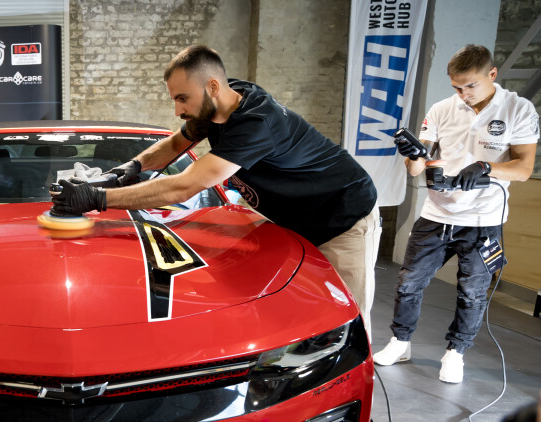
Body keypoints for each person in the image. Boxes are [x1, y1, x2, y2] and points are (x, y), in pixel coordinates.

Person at [51, 44, 380, 333]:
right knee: (293, 315)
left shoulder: (257, 123)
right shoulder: (220, 101)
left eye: (182, 98)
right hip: (293, 220)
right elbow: (177, 143)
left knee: (345, 321)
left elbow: (185, 186)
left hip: (342, 217)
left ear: (212, 86)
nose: (178, 110)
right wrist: (129, 168)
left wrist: (97, 198)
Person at [373, 44, 537, 383]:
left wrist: (485, 167)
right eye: (456, 87)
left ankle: (455, 353)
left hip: (483, 221)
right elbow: (417, 170)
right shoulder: (442, 109)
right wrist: (413, 155)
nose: (462, 94)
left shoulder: (518, 109)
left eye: (470, 86)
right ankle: (400, 342)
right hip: (436, 214)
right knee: (408, 283)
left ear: (492, 75)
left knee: (472, 292)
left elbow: (523, 168)